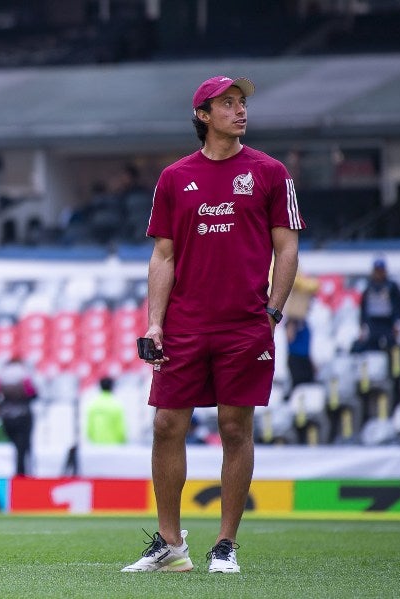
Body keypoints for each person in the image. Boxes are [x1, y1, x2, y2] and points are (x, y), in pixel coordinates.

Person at [121, 76, 304, 575]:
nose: (240, 110)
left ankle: (225, 544)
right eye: (228, 103)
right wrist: (154, 324)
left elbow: (287, 247)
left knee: (234, 428)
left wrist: (272, 311)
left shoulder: (270, 172)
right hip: (184, 325)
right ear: (203, 115)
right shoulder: (175, 177)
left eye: (242, 102)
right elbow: (163, 255)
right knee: (166, 425)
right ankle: (169, 543)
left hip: (245, 325)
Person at [0, 357, 38, 476]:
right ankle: (22, 475)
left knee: (15, 448)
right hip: (23, 416)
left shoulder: (2, 375)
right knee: (23, 449)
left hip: (7, 417)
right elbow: (33, 394)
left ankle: (17, 474)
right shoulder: (24, 374)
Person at [355, 257, 400, 352]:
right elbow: (363, 308)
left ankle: (394, 367)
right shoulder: (369, 287)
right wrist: (362, 325)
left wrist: (398, 322)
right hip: (373, 323)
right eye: (376, 270)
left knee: (393, 347)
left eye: (381, 270)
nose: (378, 273)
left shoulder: (391, 286)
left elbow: (399, 305)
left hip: (388, 322)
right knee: (371, 347)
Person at [85, 376, 127, 444]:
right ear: (112, 387)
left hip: (96, 446)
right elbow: (121, 431)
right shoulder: (117, 406)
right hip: (114, 447)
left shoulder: (93, 405)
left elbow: (89, 431)